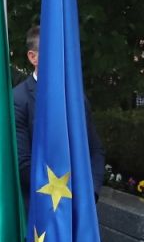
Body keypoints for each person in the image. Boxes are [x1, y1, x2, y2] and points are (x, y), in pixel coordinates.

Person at [13, 21, 104, 192]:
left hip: (78, 204)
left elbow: (95, 150)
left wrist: (90, 193)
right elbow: (22, 162)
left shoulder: (77, 98)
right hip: (41, 203)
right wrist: (63, 191)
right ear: (33, 57)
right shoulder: (19, 99)